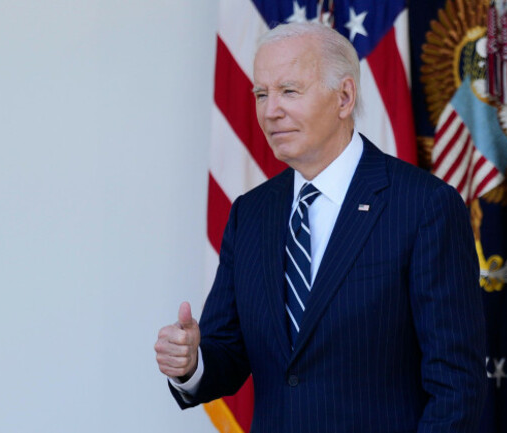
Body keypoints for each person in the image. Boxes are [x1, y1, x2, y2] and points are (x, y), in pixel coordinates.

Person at [155, 22, 486, 432]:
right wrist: (192, 363)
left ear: (344, 97)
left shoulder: (424, 206)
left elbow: (457, 389)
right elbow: (229, 350)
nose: (270, 110)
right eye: (262, 93)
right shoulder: (250, 214)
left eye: (289, 91)